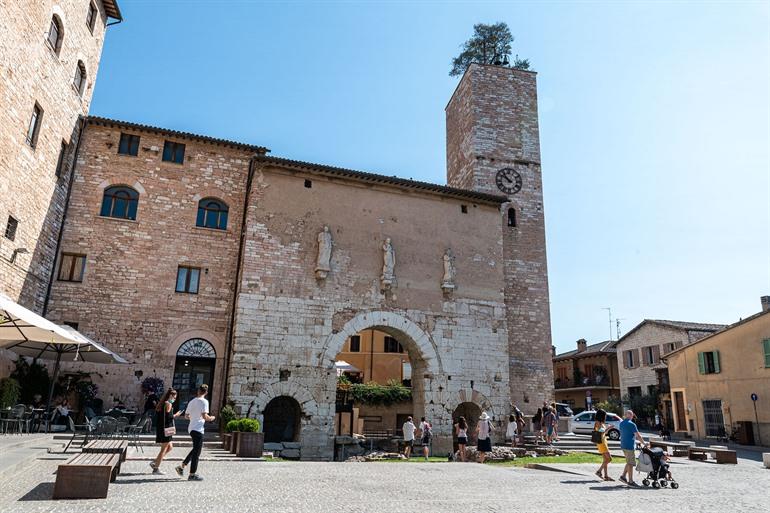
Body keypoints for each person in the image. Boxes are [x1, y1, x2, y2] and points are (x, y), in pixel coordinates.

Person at [175, 384, 215, 481]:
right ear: (206, 392)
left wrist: (193, 418)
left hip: (191, 428)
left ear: (198, 391)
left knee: (196, 449)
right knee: (197, 452)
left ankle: (182, 466)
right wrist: (211, 418)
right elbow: (205, 416)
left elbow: (186, 416)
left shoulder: (192, 401)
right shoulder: (204, 401)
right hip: (198, 429)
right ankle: (192, 474)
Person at [150, 388, 183, 474]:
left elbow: (165, 416)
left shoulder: (162, 403)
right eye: (174, 397)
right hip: (166, 429)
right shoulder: (168, 404)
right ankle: (156, 468)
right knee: (163, 449)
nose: (174, 399)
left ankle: (155, 462)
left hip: (162, 428)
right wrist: (176, 415)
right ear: (170, 396)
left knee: (170, 447)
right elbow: (169, 417)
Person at [618, 409, 646, 486]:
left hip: (623, 445)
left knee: (628, 462)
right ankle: (630, 481)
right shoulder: (632, 424)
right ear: (630, 415)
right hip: (629, 446)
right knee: (630, 464)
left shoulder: (621, 423)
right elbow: (638, 436)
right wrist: (644, 443)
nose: (632, 416)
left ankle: (623, 476)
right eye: (631, 415)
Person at [593, 408, 613, 481]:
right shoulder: (598, 423)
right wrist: (609, 427)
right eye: (605, 415)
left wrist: (608, 428)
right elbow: (600, 432)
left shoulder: (600, 423)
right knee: (609, 459)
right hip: (602, 443)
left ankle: (606, 476)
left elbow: (603, 432)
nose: (605, 417)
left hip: (603, 441)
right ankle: (599, 471)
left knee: (605, 459)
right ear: (601, 415)